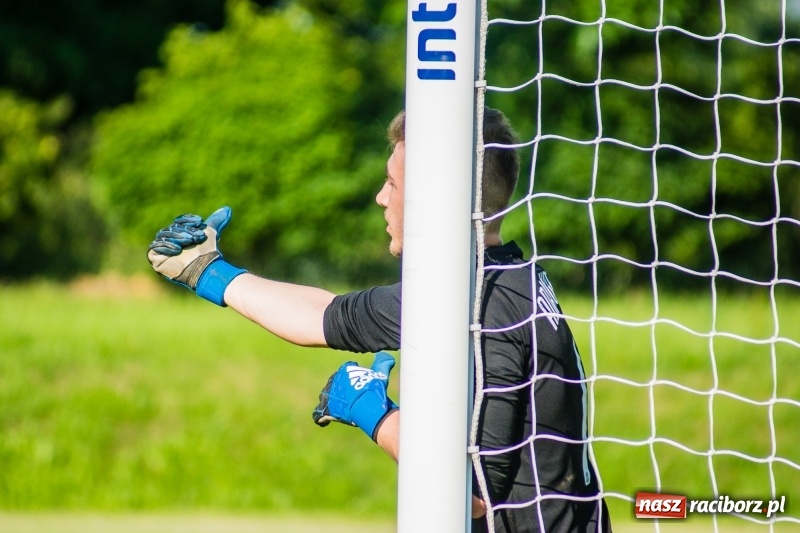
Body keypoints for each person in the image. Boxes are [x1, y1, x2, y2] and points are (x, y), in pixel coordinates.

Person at [147, 108, 612, 532]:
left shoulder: (482, 308)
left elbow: (468, 493)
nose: (379, 196)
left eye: (393, 184)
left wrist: (372, 410)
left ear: (436, 202)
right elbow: (327, 315)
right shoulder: (500, 279)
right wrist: (207, 272)